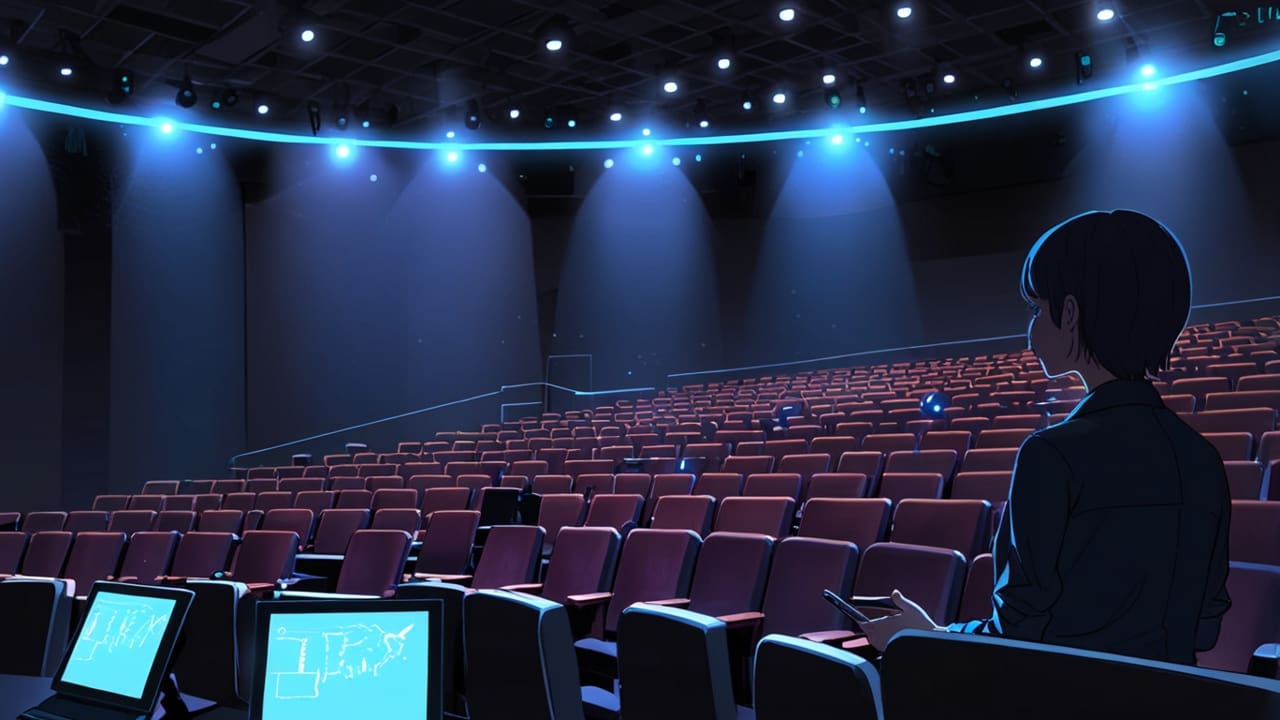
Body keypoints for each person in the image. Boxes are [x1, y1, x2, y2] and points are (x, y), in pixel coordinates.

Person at [860, 209, 1232, 665]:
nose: (1030, 329)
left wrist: (928, 634)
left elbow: (1019, 632)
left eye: (1037, 309)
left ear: (1070, 313)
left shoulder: (1052, 456)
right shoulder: (1203, 459)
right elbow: (1205, 627)